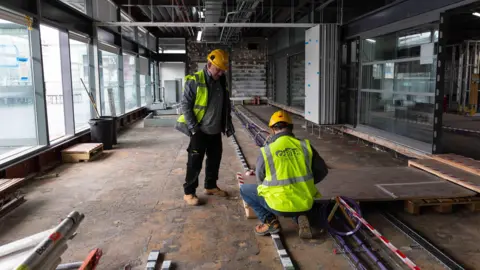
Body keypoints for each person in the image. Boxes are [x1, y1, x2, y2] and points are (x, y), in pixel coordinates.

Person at [240, 110, 328, 239]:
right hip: (304, 203)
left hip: (277, 206)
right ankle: (299, 216)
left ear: (272, 129)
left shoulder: (268, 150)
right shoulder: (305, 146)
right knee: (294, 200)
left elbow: (260, 179)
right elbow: (323, 171)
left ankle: (271, 222)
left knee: (245, 190)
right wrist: (305, 184)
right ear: (291, 127)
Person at [175, 49, 235, 206]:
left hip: (215, 130)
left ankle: (210, 186)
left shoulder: (221, 81)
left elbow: (225, 105)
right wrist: (194, 129)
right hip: (199, 130)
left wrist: (226, 124)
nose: (221, 73)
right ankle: (189, 192)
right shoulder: (195, 80)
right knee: (194, 162)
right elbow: (185, 106)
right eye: (218, 69)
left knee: (214, 160)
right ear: (209, 65)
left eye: (222, 70)